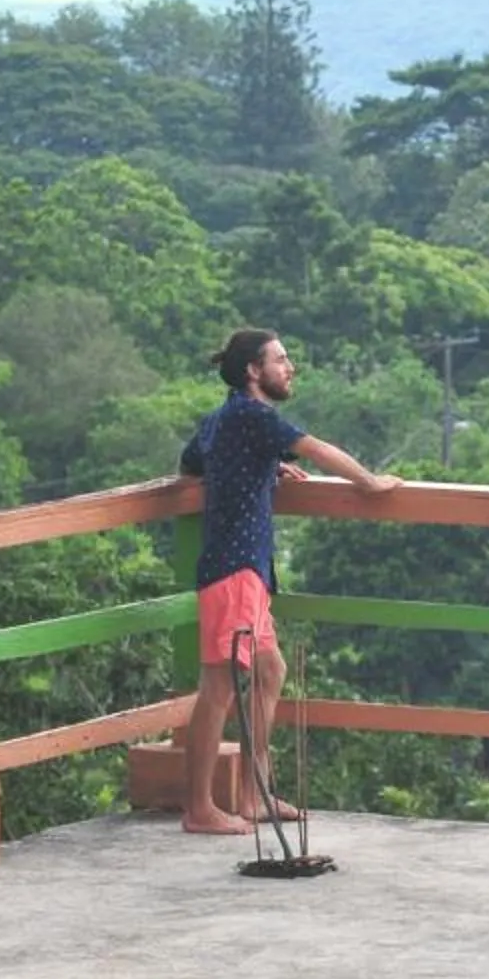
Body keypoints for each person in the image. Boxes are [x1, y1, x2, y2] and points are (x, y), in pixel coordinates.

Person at [176, 327, 400, 835]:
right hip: (233, 572)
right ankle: (199, 808)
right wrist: (371, 482)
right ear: (254, 371)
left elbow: (191, 468)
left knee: (270, 670)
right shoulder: (254, 416)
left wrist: (261, 466)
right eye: (280, 360)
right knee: (217, 688)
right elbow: (317, 449)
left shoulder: (224, 418)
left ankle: (254, 794)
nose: (289, 367)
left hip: (244, 570)